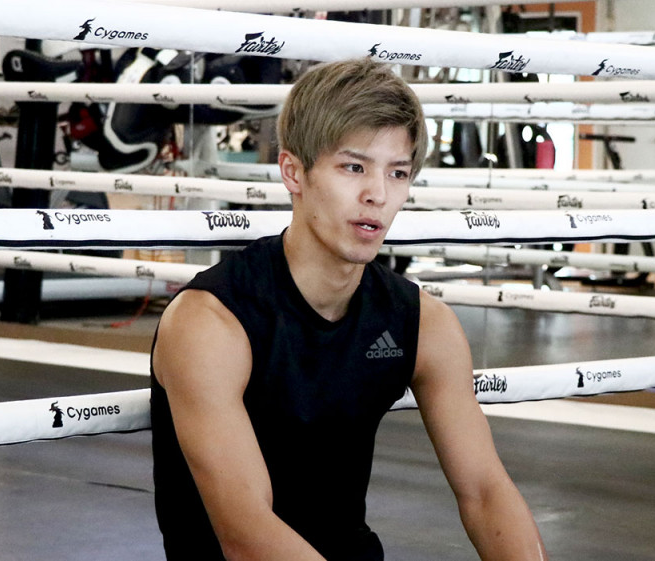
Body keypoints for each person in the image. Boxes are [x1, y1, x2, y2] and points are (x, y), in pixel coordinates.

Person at [150, 58, 548, 561]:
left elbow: (485, 492)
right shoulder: (211, 323)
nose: (377, 195)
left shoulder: (423, 323)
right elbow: (246, 535)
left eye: (397, 172)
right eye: (354, 167)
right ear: (294, 172)